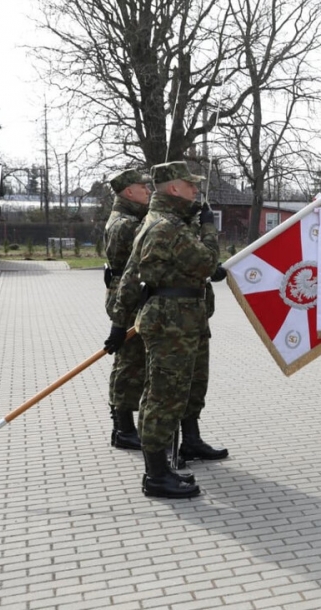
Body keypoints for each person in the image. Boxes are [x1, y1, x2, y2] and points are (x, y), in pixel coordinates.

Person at [105, 161, 221, 499]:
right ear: (173, 188)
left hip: (179, 320)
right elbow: (207, 261)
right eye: (190, 185)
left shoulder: (158, 221)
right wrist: (209, 229)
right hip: (172, 321)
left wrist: (118, 320)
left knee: (173, 392)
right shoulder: (167, 226)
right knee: (164, 396)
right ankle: (156, 476)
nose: (195, 190)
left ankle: (164, 467)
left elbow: (129, 275)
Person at [103, 168, 152, 450]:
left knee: (132, 362)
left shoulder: (132, 218)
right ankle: (122, 428)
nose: (148, 191)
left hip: (129, 295)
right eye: (143, 187)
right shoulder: (126, 224)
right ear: (128, 192)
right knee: (128, 363)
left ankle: (124, 427)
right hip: (128, 298)